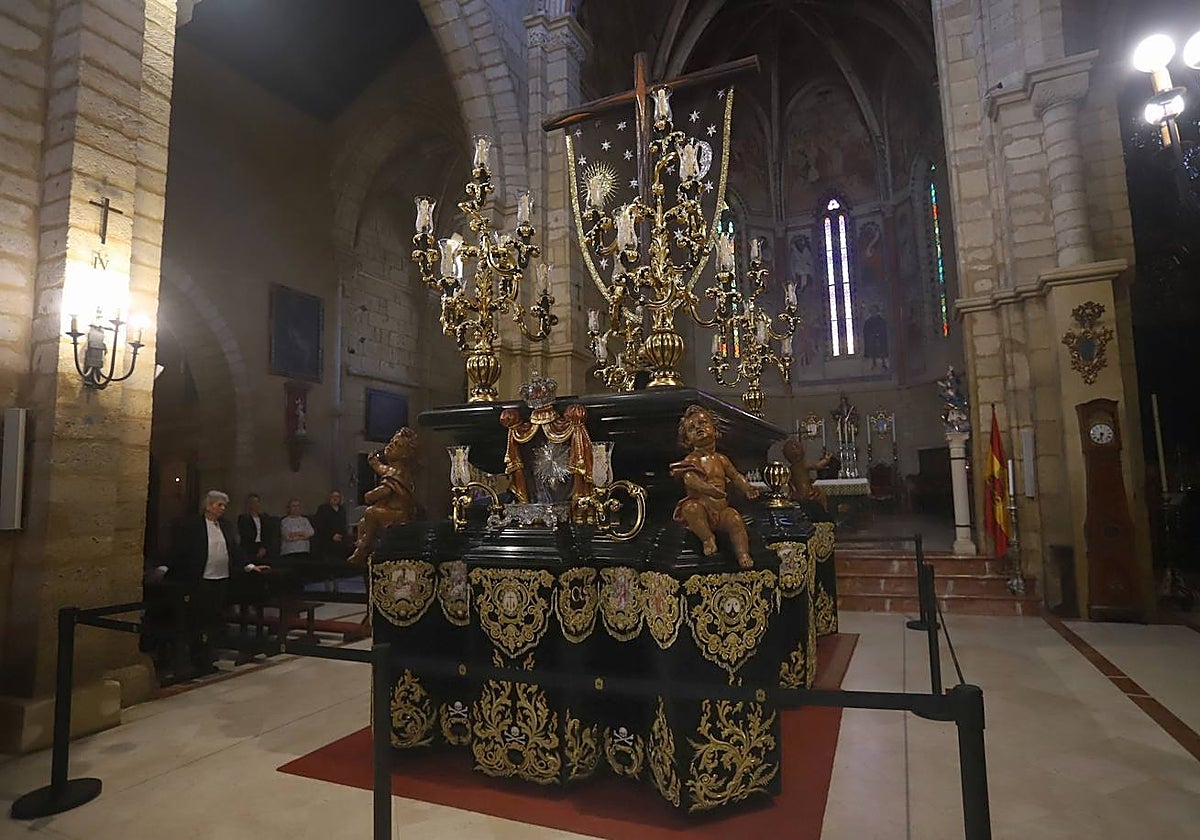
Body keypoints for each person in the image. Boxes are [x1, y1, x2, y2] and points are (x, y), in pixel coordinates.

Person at [152, 490, 267, 674]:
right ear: (208, 505)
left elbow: (234, 549)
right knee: (197, 620)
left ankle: (208, 657)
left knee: (214, 621)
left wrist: (249, 566)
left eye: (224, 506)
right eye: (219, 505)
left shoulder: (225, 526)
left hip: (220, 579)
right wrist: (165, 567)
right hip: (200, 580)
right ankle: (194, 659)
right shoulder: (194, 526)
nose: (222, 509)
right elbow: (180, 549)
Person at [669, 405, 760, 568]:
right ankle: (707, 538)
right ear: (687, 439)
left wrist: (747, 488)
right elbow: (689, 479)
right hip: (702, 508)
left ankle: (743, 554)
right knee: (690, 509)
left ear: (715, 429)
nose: (698, 428)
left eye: (703, 423)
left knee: (735, 519)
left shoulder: (722, 459)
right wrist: (707, 489)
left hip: (721, 510)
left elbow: (736, 475)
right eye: (691, 428)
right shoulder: (692, 459)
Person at [349, 428, 418, 566]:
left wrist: (369, 496)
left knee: (371, 512)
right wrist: (374, 463)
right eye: (392, 441)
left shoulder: (399, 472)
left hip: (399, 514)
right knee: (363, 522)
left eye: (397, 445)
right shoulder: (392, 470)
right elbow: (383, 470)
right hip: (390, 511)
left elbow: (385, 490)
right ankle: (361, 545)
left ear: (405, 454)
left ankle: (363, 549)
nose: (391, 445)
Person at [782, 437, 832, 510]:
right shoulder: (804, 464)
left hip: (797, 492)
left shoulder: (791, 468)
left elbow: (791, 481)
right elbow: (818, 465)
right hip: (807, 490)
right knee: (821, 494)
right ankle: (824, 511)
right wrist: (826, 459)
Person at [237, 493, 279, 565]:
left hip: (263, 546)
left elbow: (268, 534)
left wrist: (264, 547)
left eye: (257, 502)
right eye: (252, 502)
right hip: (250, 548)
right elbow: (245, 534)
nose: (255, 504)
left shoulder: (265, 518)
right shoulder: (243, 518)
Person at [312, 490, 350, 563]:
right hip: (326, 541)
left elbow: (344, 525)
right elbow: (319, 525)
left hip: (340, 541)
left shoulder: (342, 510)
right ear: (329, 498)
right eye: (333, 496)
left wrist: (342, 536)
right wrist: (331, 535)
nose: (335, 498)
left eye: (337, 497)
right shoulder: (323, 509)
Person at [278, 498, 315, 565]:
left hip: (304, 551)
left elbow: (311, 533)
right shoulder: (285, 521)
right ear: (289, 508)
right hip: (289, 552)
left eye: (298, 506)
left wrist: (296, 534)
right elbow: (288, 537)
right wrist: (302, 535)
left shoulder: (305, 520)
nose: (296, 508)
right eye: (293, 506)